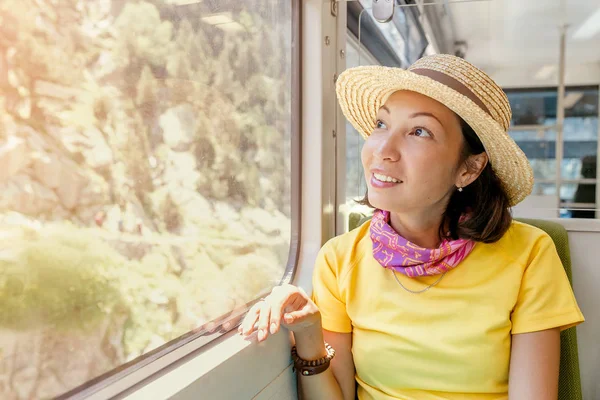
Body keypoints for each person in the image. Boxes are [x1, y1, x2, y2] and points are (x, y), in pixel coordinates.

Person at [239, 54, 584, 400]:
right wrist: (311, 332)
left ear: (469, 168)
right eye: (381, 124)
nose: (382, 151)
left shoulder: (530, 253)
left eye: (419, 132)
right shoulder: (338, 260)